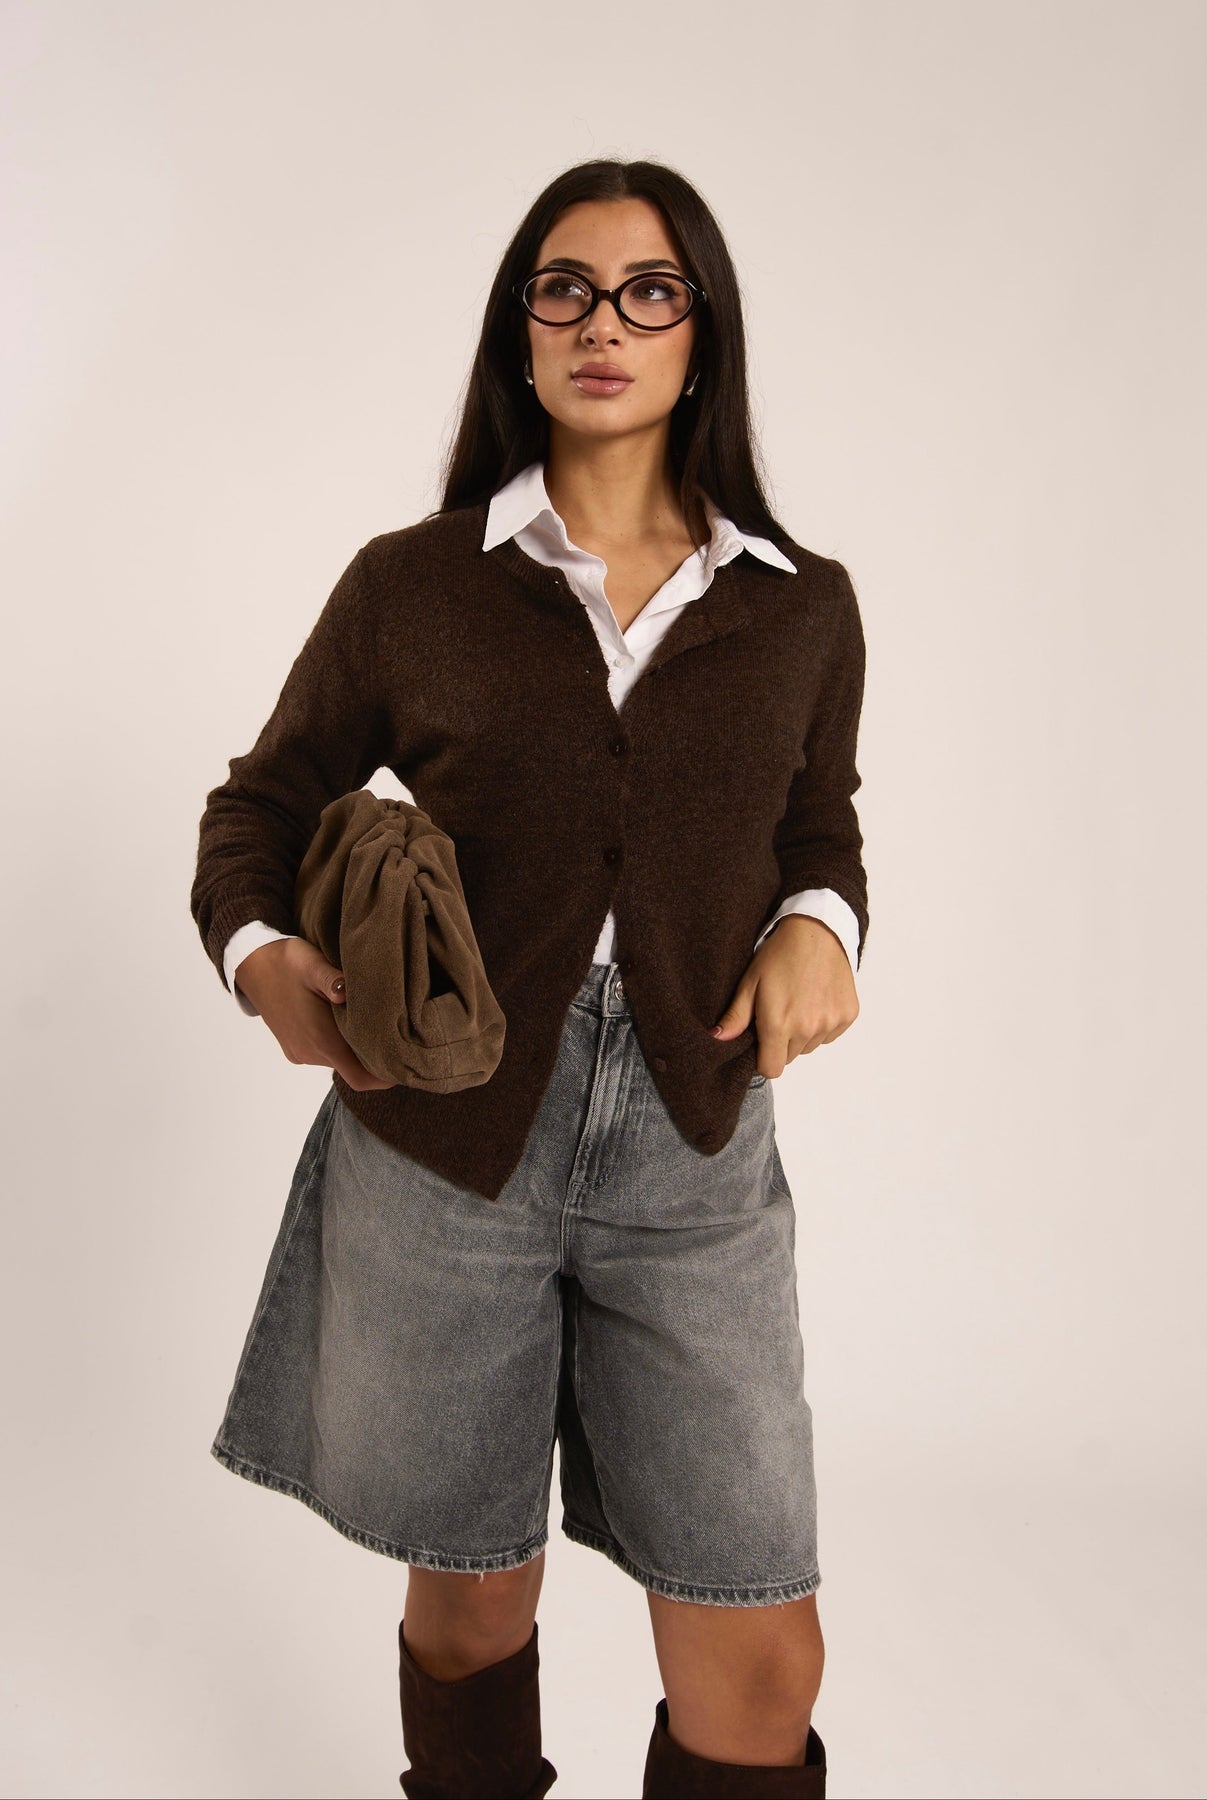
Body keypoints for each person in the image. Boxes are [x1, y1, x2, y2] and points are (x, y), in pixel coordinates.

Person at [191, 156, 869, 1800]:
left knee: (761, 1650)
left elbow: (818, 825)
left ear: (702, 337)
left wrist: (821, 924)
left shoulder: (801, 609)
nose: (602, 323)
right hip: (444, 1150)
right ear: (520, 331)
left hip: (694, 1157)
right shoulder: (413, 584)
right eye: (563, 288)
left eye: (649, 291)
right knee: (474, 1595)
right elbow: (259, 808)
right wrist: (265, 959)